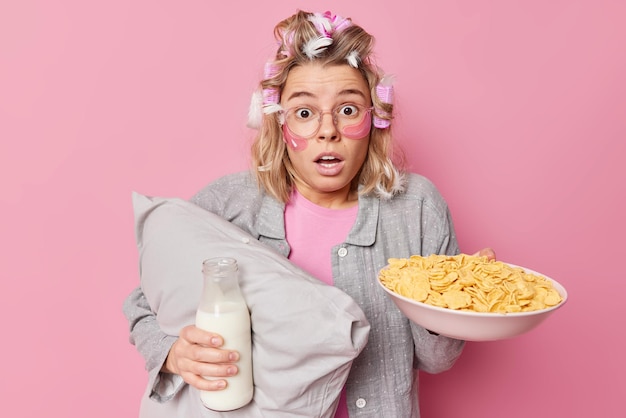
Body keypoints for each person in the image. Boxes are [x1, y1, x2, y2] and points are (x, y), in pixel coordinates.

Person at [124, 9, 495, 417]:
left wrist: (452, 296)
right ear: (278, 125)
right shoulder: (226, 206)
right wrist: (173, 353)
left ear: (374, 120)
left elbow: (439, 360)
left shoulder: (417, 207)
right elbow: (145, 301)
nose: (327, 130)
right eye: (304, 113)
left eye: (348, 110)